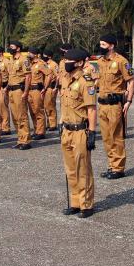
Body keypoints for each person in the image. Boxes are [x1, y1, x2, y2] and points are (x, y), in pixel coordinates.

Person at [58, 48, 98, 218]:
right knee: (70, 169)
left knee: (83, 169)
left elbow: (91, 109)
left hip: (80, 130)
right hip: (67, 129)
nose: (65, 63)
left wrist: (92, 132)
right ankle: (75, 202)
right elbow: (64, 105)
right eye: (65, 60)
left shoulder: (85, 82)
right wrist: (61, 122)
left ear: (80, 63)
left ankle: (86, 204)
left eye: (69, 61)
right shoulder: (66, 80)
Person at [95, 34, 134, 179]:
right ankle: (111, 165)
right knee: (106, 137)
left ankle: (118, 168)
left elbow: (131, 81)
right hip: (102, 104)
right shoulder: (100, 62)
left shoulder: (121, 61)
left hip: (115, 104)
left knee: (116, 136)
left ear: (111, 46)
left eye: (103, 44)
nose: (100, 47)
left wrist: (129, 101)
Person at [6, 41, 32, 150]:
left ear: (18, 48)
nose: (10, 48)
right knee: (15, 116)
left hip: (19, 91)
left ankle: (26, 140)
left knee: (22, 115)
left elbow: (28, 77)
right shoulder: (11, 60)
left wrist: (26, 92)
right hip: (11, 91)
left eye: (12, 47)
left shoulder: (24, 60)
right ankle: (20, 139)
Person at [26, 46, 53, 140]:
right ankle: (36, 130)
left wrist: (45, 88)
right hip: (29, 90)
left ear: (36, 54)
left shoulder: (41, 63)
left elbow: (49, 75)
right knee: (32, 111)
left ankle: (41, 132)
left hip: (37, 90)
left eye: (30, 53)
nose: (28, 54)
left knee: (38, 110)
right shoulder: (29, 64)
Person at [0, 46, 12, 136]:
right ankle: (0, 126)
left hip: (4, 87)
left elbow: (11, 75)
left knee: (3, 107)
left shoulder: (6, 62)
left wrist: (7, 88)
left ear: (0, 53)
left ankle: (6, 127)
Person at [43, 50, 59, 131]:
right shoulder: (44, 64)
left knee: (50, 105)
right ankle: (48, 123)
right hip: (44, 87)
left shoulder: (53, 64)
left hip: (51, 87)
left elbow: (58, 76)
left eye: (45, 55)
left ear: (49, 56)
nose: (43, 56)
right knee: (45, 106)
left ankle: (53, 124)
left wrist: (56, 87)